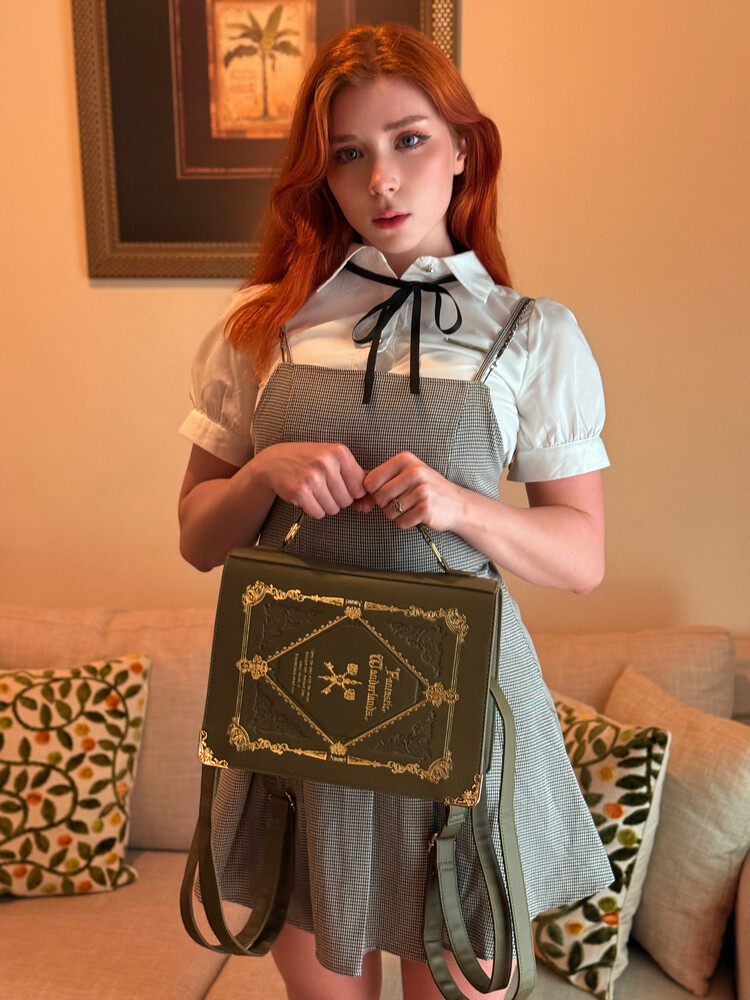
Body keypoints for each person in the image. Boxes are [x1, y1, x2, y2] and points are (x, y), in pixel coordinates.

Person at [178, 22, 613, 1000]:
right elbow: (198, 538)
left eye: (409, 140)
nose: (381, 179)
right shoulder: (261, 330)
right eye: (348, 153)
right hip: (301, 715)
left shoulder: (532, 337)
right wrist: (260, 475)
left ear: (463, 149)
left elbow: (581, 556)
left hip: (458, 726)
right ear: (321, 176)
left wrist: (462, 506)